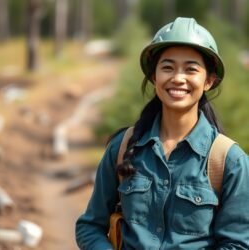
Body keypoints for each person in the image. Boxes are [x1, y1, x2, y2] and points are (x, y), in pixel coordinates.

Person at [75, 17, 249, 249]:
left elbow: (237, 244)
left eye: (191, 69)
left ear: (208, 80)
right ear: (154, 76)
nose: (178, 78)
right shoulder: (123, 147)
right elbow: (90, 226)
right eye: (167, 67)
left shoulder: (230, 161)